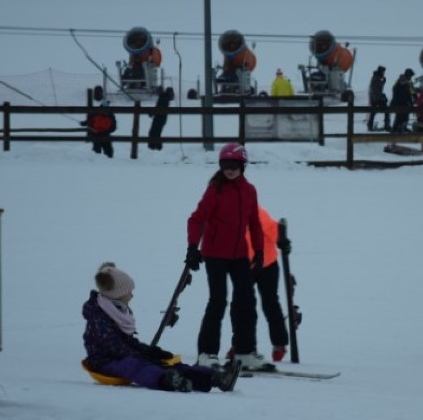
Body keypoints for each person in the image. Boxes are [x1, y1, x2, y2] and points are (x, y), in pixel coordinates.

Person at [82, 262, 240, 392]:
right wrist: (143, 355)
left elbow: (127, 342)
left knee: (166, 363)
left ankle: (216, 378)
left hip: (122, 356)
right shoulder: (99, 317)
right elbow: (114, 347)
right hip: (105, 362)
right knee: (136, 365)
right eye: (128, 292)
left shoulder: (117, 311)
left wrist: (150, 351)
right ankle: (167, 380)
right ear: (116, 294)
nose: (131, 295)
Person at [186, 143, 270, 371]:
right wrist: (193, 247)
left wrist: (259, 251)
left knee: (245, 301)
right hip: (214, 254)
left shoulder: (249, 190)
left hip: (239, 254)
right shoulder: (216, 189)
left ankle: (244, 352)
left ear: (243, 166)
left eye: (234, 166)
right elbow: (196, 219)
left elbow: (254, 223)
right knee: (218, 301)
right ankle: (207, 353)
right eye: (225, 165)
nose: (230, 170)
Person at [226, 206, 293, 363]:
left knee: (270, 303)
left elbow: (272, 228)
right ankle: (241, 346)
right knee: (240, 307)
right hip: (242, 266)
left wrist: (281, 240)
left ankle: (279, 343)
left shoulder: (255, 212)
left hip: (266, 264)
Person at [390, 68, 415, 133]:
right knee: (399, 117)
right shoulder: (403, 82)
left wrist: (412, 99)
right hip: (400, 103)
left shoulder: (408, 82)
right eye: (410, 76)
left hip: (404, 103)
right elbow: (410, 92)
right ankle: (396, 129)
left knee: (405, 116)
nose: (411, 77)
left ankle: (402, 127)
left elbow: (411, 92)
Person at [367, 65, 389, 131]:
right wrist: (379, 99)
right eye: (383, 72)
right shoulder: (376, 79)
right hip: (375, 99)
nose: (384, 73)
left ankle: (370, 125)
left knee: (374, 112)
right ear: (380, 72)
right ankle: (386, 125)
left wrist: (383, 82)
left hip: (375, 98)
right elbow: (375, 90)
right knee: (386, 110)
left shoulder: (377, 78)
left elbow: (379, 88)